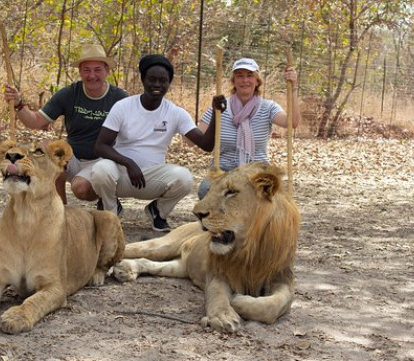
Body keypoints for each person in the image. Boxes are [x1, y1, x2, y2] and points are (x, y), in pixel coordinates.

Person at [90, 54, 217, 232]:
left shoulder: (175, 112)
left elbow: (206, 145)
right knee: (101, 170)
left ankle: (158, 212)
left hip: (150, 179)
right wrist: (128, 162)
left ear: (169, 83)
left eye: (163, 80)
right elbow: (100, 146)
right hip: (121, 174)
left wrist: (216, 115)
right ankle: (111, 214)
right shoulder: (123, 106)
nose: (157, 85)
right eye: (152, 79)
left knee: (185, 178)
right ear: (143, 80)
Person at [4, 44, 128, 206]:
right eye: (86, 70)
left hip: (103, 162)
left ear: (107, 71)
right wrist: (18, 103)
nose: (92, 75)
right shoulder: (70, 93)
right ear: (80, 72)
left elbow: (134, 133)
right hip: (73, 156)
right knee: (46, 150)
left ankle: (106, 196)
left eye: (97, 70)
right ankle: (60, 210)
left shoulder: (120, 98)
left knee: (81, 190)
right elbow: (35, 121)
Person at [196, 57, 300, 199]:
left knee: (265, 197)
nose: (245, 80)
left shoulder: (268, 107)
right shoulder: (219, 105)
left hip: (257, 170)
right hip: (224, 170)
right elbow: (196, 135)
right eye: (240, 76)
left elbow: (292, 122)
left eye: (250, 75)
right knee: (206, 190)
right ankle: (219, 221)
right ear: (234, 81)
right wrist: (181, 123)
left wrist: (293, 87)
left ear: (257, 81)